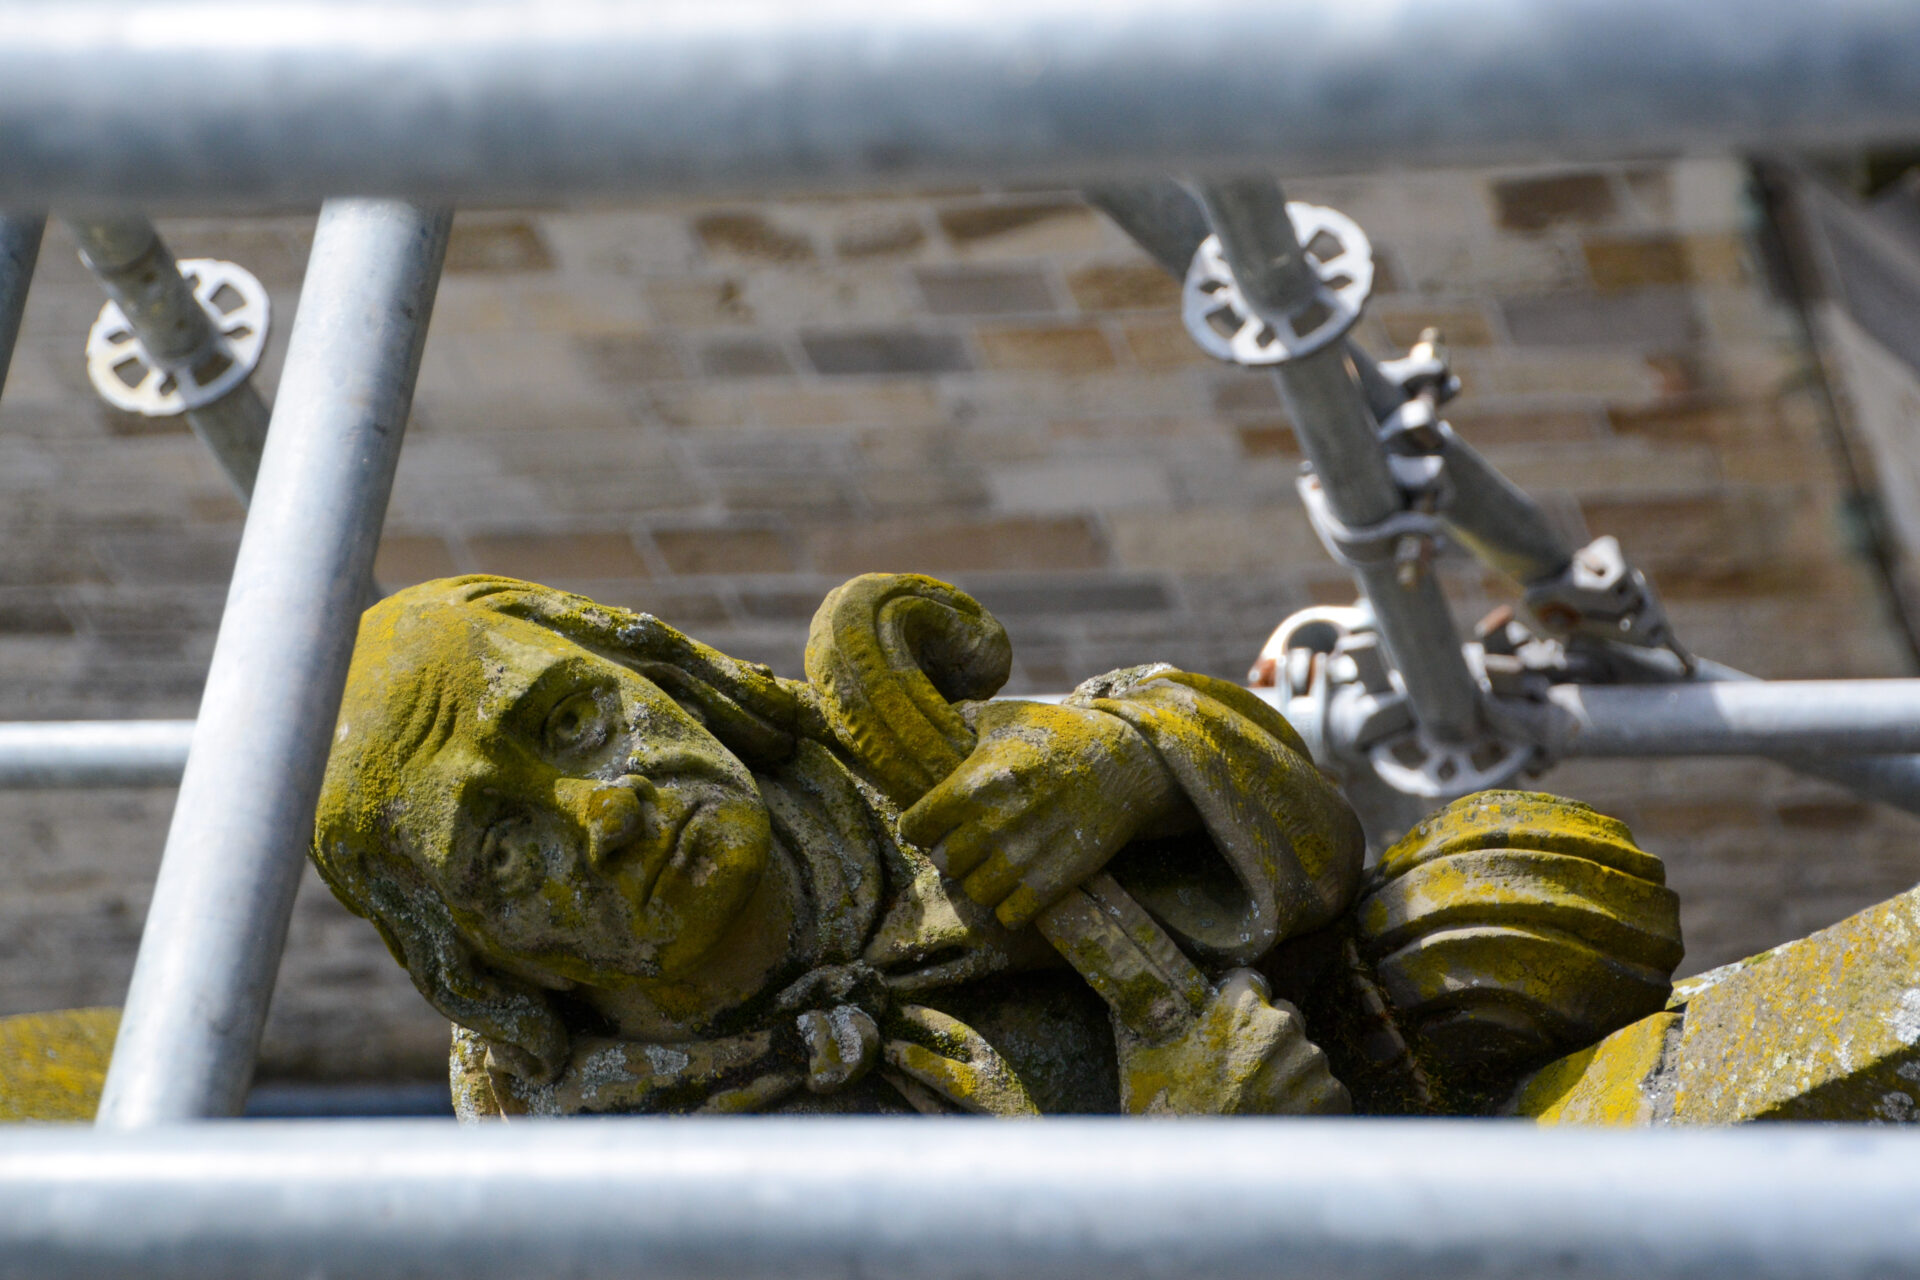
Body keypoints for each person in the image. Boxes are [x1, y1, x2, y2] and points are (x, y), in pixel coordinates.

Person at [312, 572, 1682, 1117]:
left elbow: (1314, 846)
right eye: (499, 854)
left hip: (1335, 1059)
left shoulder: (885, 762)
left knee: (1532, 892)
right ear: (476, 963)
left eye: (572, 720)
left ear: (664, 674)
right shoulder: (589, 1152)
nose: (598, 818)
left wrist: (1131, 770)